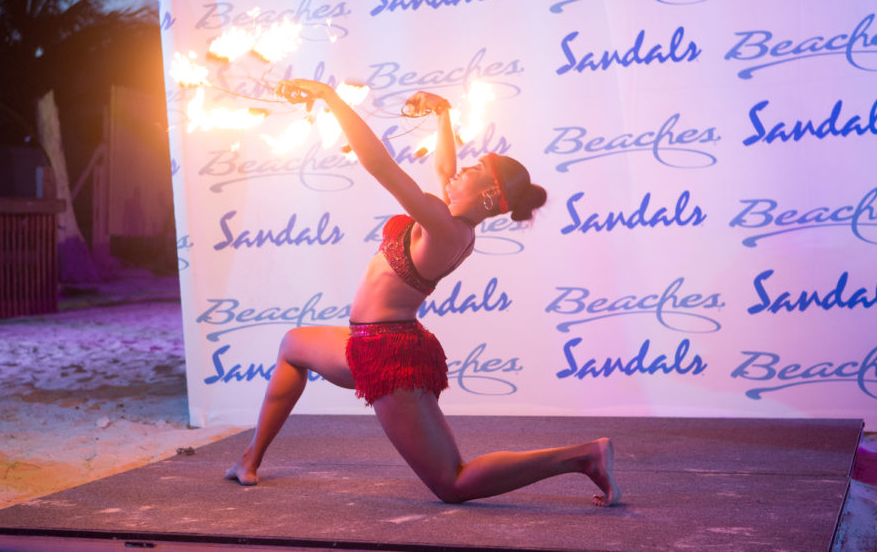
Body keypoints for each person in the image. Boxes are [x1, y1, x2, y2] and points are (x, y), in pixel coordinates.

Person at [225, 78, 621, 506]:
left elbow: (380, 167)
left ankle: (583, 457)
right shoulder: (456, 223)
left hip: (387, 356)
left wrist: (331, 99)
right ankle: (248, 460)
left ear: (488, 193)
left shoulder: (446, 228)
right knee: (293, 344)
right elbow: (444, 169)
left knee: (453, 483)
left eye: (473, 171)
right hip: (368, 342)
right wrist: (443, 113)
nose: (458, 171)